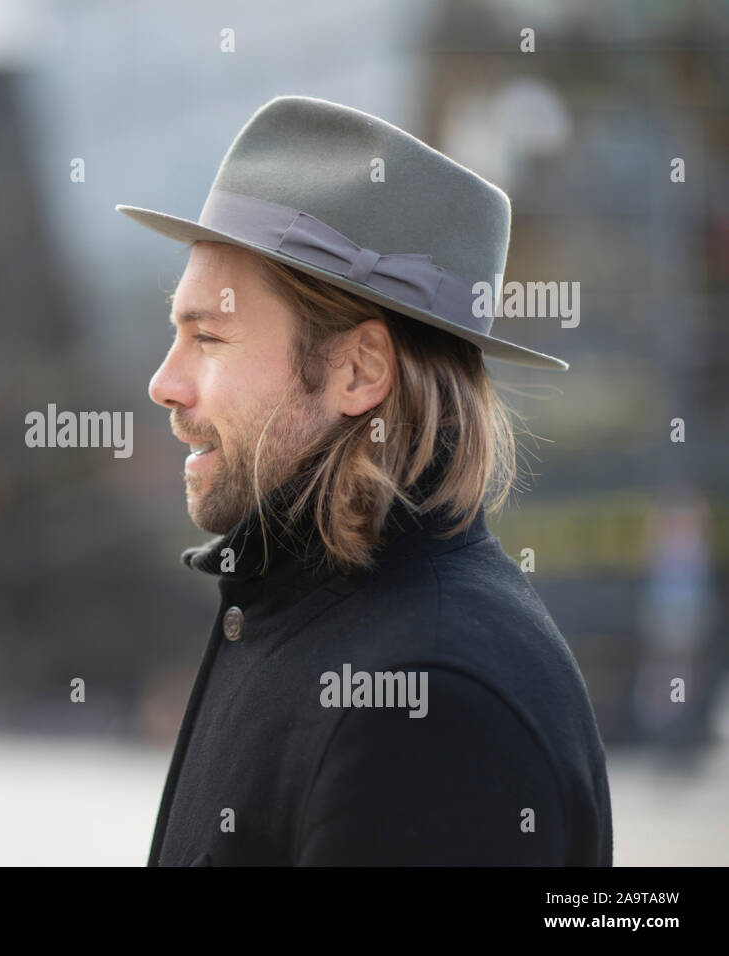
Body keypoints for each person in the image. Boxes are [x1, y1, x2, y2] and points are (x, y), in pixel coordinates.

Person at [115, 96, 613, 865]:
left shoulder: (432, 704)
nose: (164, 383)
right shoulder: (290, 609)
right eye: (174, 333)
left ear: (361, 370)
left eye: (208, 337)